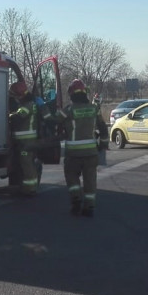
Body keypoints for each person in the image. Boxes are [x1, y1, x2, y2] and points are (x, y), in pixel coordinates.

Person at [55, 79, 109, 217]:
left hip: (73, 153)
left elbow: (54, 120)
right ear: (84, 93)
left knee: (72, 177)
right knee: (90, 180)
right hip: (91, 153)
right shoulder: (94, 108)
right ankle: (89, 207)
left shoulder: (68, 110)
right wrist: (103, 144)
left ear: (72, 94)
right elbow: (103, 128)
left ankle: (76, 198)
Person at [8, 81, 41, 196]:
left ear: (20, 95)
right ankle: (30, 187)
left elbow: (18, 117)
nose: (14, 99)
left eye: (15, 96)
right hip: (27, 141)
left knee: (27, 165)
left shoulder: (27, 106)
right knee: (27, 164)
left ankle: (29, 189)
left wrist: (9, 115)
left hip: (26, 142)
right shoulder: (29, 104)